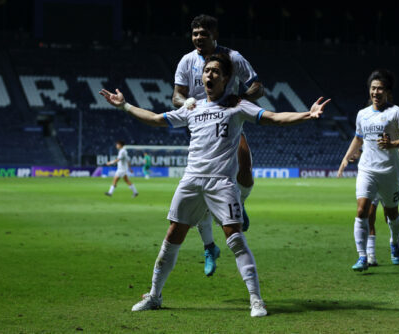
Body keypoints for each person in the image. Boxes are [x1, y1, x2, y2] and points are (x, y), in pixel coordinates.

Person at [99, 52, 330, 317]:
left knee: (235, 239)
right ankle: (154, 295)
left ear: (226, 79)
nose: (209, 75)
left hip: (221, 184)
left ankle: (256, 300)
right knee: (172, 238)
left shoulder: (237, 106)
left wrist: (307, 114)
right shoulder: (192, 108)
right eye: (207, 71)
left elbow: (274, 118)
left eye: (216, 72)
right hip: (191, 182)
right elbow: (154, 119)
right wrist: (124, 106)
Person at [172, 14, 265, 276]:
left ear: (215, 36)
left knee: (245, 169)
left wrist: (239, 98)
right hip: (199, 125)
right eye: (195, 34)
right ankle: (209, 246)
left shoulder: (233, 58)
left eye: (204, 33)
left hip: (228, 122)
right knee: (201, 185)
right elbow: (176, 94)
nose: (199, 38)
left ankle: (240, 202)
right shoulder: (187, 61)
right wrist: (186, 103)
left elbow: (258, 87)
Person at [338, 69, 399, 271]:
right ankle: (363, 256)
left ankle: (395, 240)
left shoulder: (397, 113)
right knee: (362, 210)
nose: (376, 92)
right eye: (373, 88)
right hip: (367, 170)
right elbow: (358, 138)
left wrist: (394, 144)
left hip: (389, 172)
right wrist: (346, 158)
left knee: (391, 214)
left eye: (380, 88)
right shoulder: (362, 114)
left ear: (387, 92)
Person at [349, 146, 399, 266]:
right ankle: (370, 256)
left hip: (388, 177)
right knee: (369, 216)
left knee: (389, 215)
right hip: (370, 177)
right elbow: (361, 148)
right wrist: (355, 154)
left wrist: (387, 154)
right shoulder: (368, 130)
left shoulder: (392, 130)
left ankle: (395, 240)